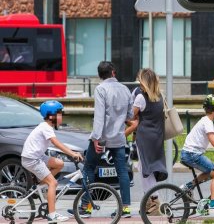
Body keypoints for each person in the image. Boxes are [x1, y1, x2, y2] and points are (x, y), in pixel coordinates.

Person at [70, 61, 134, 218]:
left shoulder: (100, 89)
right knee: (122, 172)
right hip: (119, 138)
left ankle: (86, 206)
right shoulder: (126, 89)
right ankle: (125, 208)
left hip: (103, 138)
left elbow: (99, 116)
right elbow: (130, 115)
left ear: (99, 75)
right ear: (113, 72)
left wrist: (96, 139)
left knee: (89, 168)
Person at [21, 100, 83, 224]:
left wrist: (71, 152)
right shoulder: (45, 127)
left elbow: (55, 145)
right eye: (59, 114)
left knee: (59, 163)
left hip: (38, 156)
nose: (61, 116)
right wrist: (72, 153)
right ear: (51, 116)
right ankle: (52, 215)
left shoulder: (46, 127)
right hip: (32, 159)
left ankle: (41, 184)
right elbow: (56, 143)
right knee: (53, 183)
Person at [125, 68, 168, 216]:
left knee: (144, 170)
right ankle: (150, 200)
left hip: (144, 137)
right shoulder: (160, 96)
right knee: (147, 169)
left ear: (143, 81)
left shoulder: (140, 98)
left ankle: (154, 201)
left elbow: (130, 115)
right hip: (157, 136)